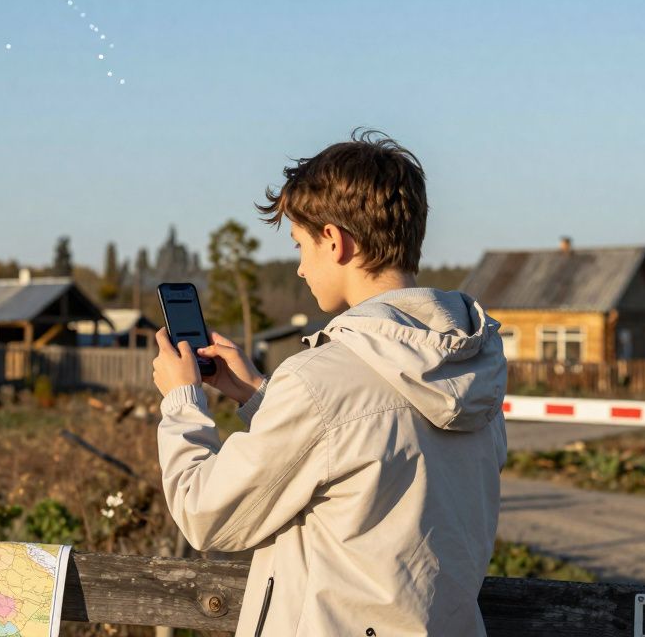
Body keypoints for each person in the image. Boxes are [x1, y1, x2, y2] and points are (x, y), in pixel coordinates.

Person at [152, 129, 507, 636]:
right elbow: (360, 452)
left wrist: (182, 399)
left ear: (335, 241)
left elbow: (205, 515)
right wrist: (257, 392)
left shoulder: (319, 382)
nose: (298, 268)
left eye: (300, 244)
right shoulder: (479, 371)